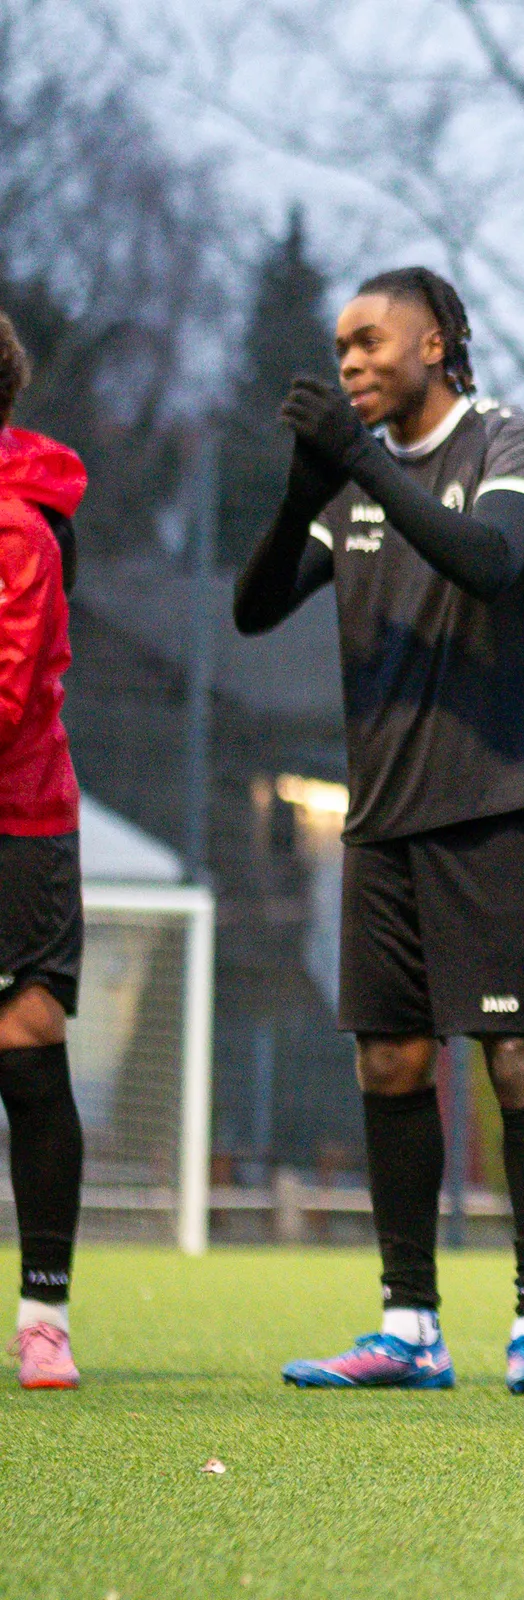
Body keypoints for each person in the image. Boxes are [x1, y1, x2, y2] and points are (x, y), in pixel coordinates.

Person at [237, 268, 524, 1396]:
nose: (349, 364)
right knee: (388, 1060)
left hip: (496, 801)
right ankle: (409, 1323)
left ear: (434, 342)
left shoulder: (516, 446)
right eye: (338, 349)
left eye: (369, 342)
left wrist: (363, 460)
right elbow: (252, 607)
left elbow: (487, 560)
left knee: (517, 1058)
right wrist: (304, 489)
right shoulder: (351, 476)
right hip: (381, 816)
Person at [0, 308, 89, 1390]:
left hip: (21, 820)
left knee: (25, 1045)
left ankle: (45, 1314)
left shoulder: (20, 530)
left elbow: (11, 694)